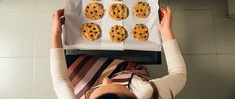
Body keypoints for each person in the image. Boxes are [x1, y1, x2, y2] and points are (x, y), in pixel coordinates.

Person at [50, 6, 187, 99]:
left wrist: (56, 34)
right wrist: (166, 32)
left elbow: (60, 81)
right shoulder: (149, 93)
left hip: (86, 82)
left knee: (70, 63)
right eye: (112, 85)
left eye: (94, 94)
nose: (105, 79)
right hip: (129, 71)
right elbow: (179, 75)